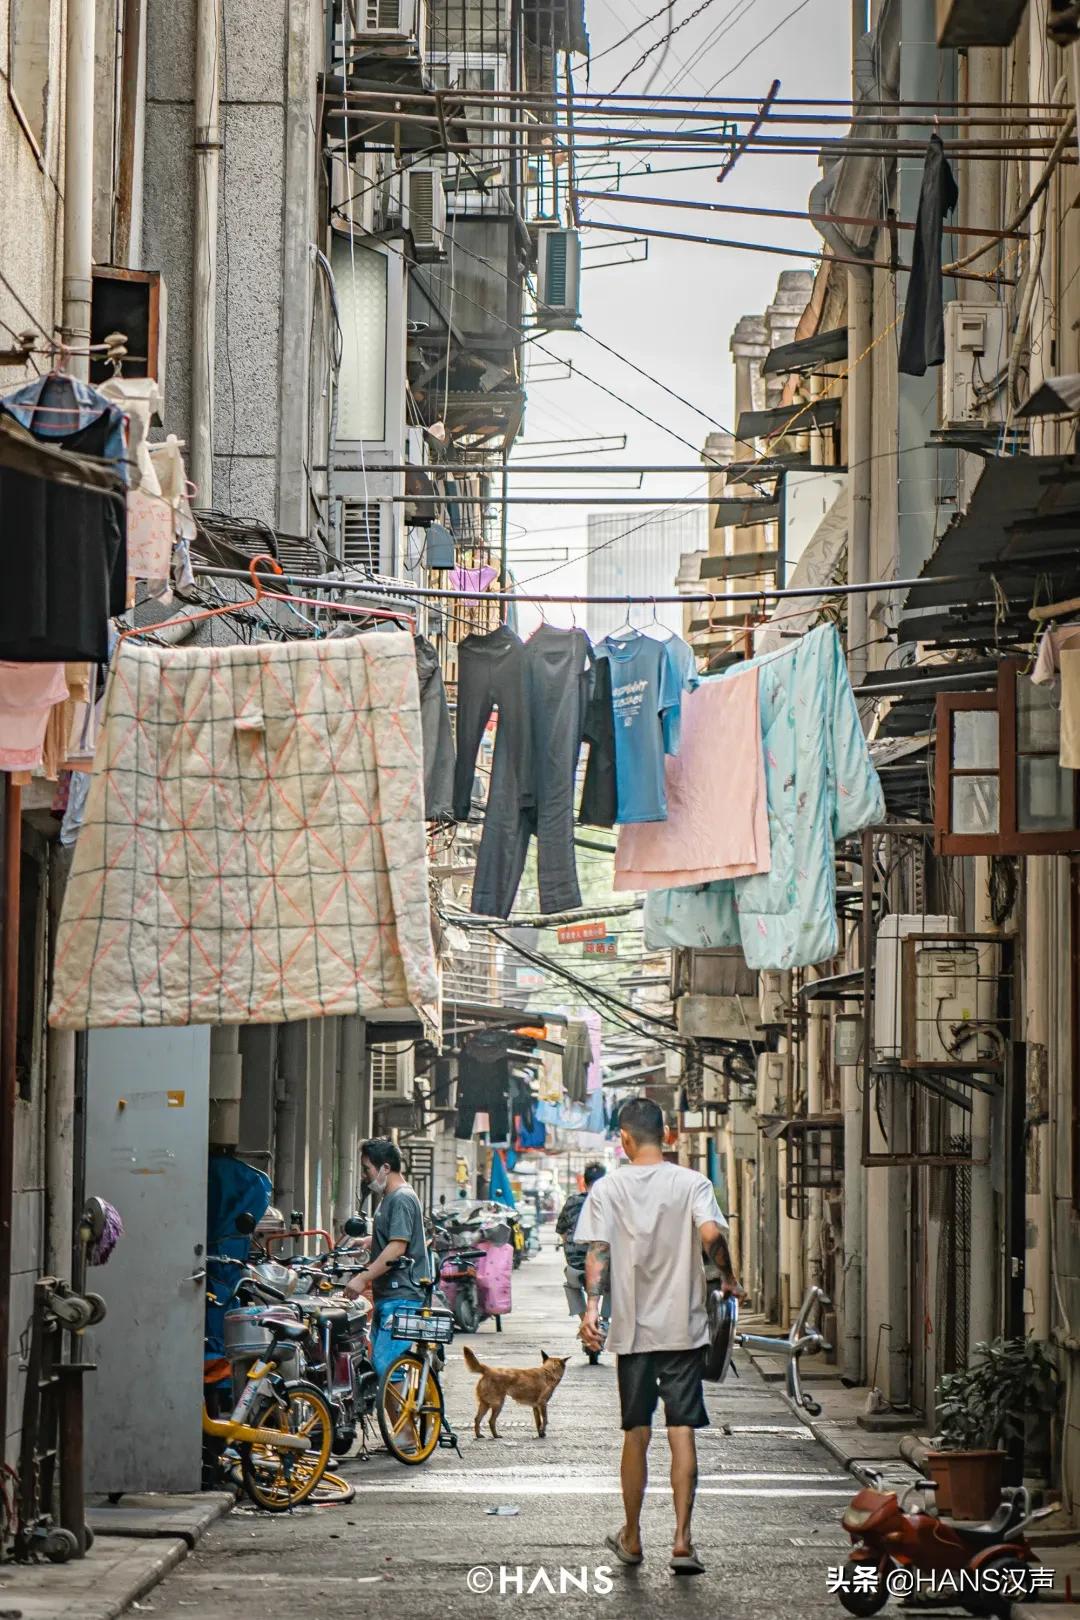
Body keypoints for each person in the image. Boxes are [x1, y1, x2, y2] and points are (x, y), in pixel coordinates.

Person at [575, 1098, 740, 1578]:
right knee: (682, 1431)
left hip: (633, 1334)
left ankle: (631, 1537)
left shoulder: (607, 1189)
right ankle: (683, 1541)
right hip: (683, 1331)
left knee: (637, 1433)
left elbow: (598, 1254)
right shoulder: (693, 1183)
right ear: (667, 1134)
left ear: (624, 1139)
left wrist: (591, 1308)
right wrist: (726, 1278)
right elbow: (711, 1235)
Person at [344, 1139, 429, 1380]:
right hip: (389, 1295)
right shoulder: (389, 1198)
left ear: (385, 1168)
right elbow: (398, 1236)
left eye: (367, 1168)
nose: (364, 1175)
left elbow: (397, 1247)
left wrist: (362, 1278)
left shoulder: (401, 1198)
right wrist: (370, 1241)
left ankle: (405, 1419)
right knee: (379, 1366)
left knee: (386, 1366)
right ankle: (395, 1419)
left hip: (403, 1294)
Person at [556, 1163, 608, 1336]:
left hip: (575, 1266)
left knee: (571, 1285)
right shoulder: (610, 1203)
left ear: (584, 1183)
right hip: (606, 1267)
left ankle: (584, 1322)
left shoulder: (572, 1202)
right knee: (615, 1285)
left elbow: (562, 1232)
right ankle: (605, 1321)